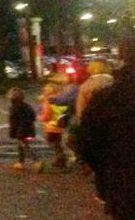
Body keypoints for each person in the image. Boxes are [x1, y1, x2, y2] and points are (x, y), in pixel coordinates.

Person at [78, 40, 135, 220]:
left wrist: (105, 176)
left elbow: (88, 143)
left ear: (121, 59)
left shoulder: (106, 98)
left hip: (124, 186)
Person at [7, 86, 41, 171]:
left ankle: (36, 161)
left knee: (24, 146)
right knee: (21, 146)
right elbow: (33, 116)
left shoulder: (13, 107)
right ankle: (20, 162)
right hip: (30, 129)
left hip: (21, 131)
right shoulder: (27, 105)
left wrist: (12, 132)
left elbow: (13, 122)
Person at [39, 83, 68, 169]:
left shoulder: (49, 101)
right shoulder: (60, 99)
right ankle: (60, 159)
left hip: (51, 126)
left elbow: (47, 115)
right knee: (57, 143)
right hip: (60, 124)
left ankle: (60, 158)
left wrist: (40, 117)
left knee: (52, 143)